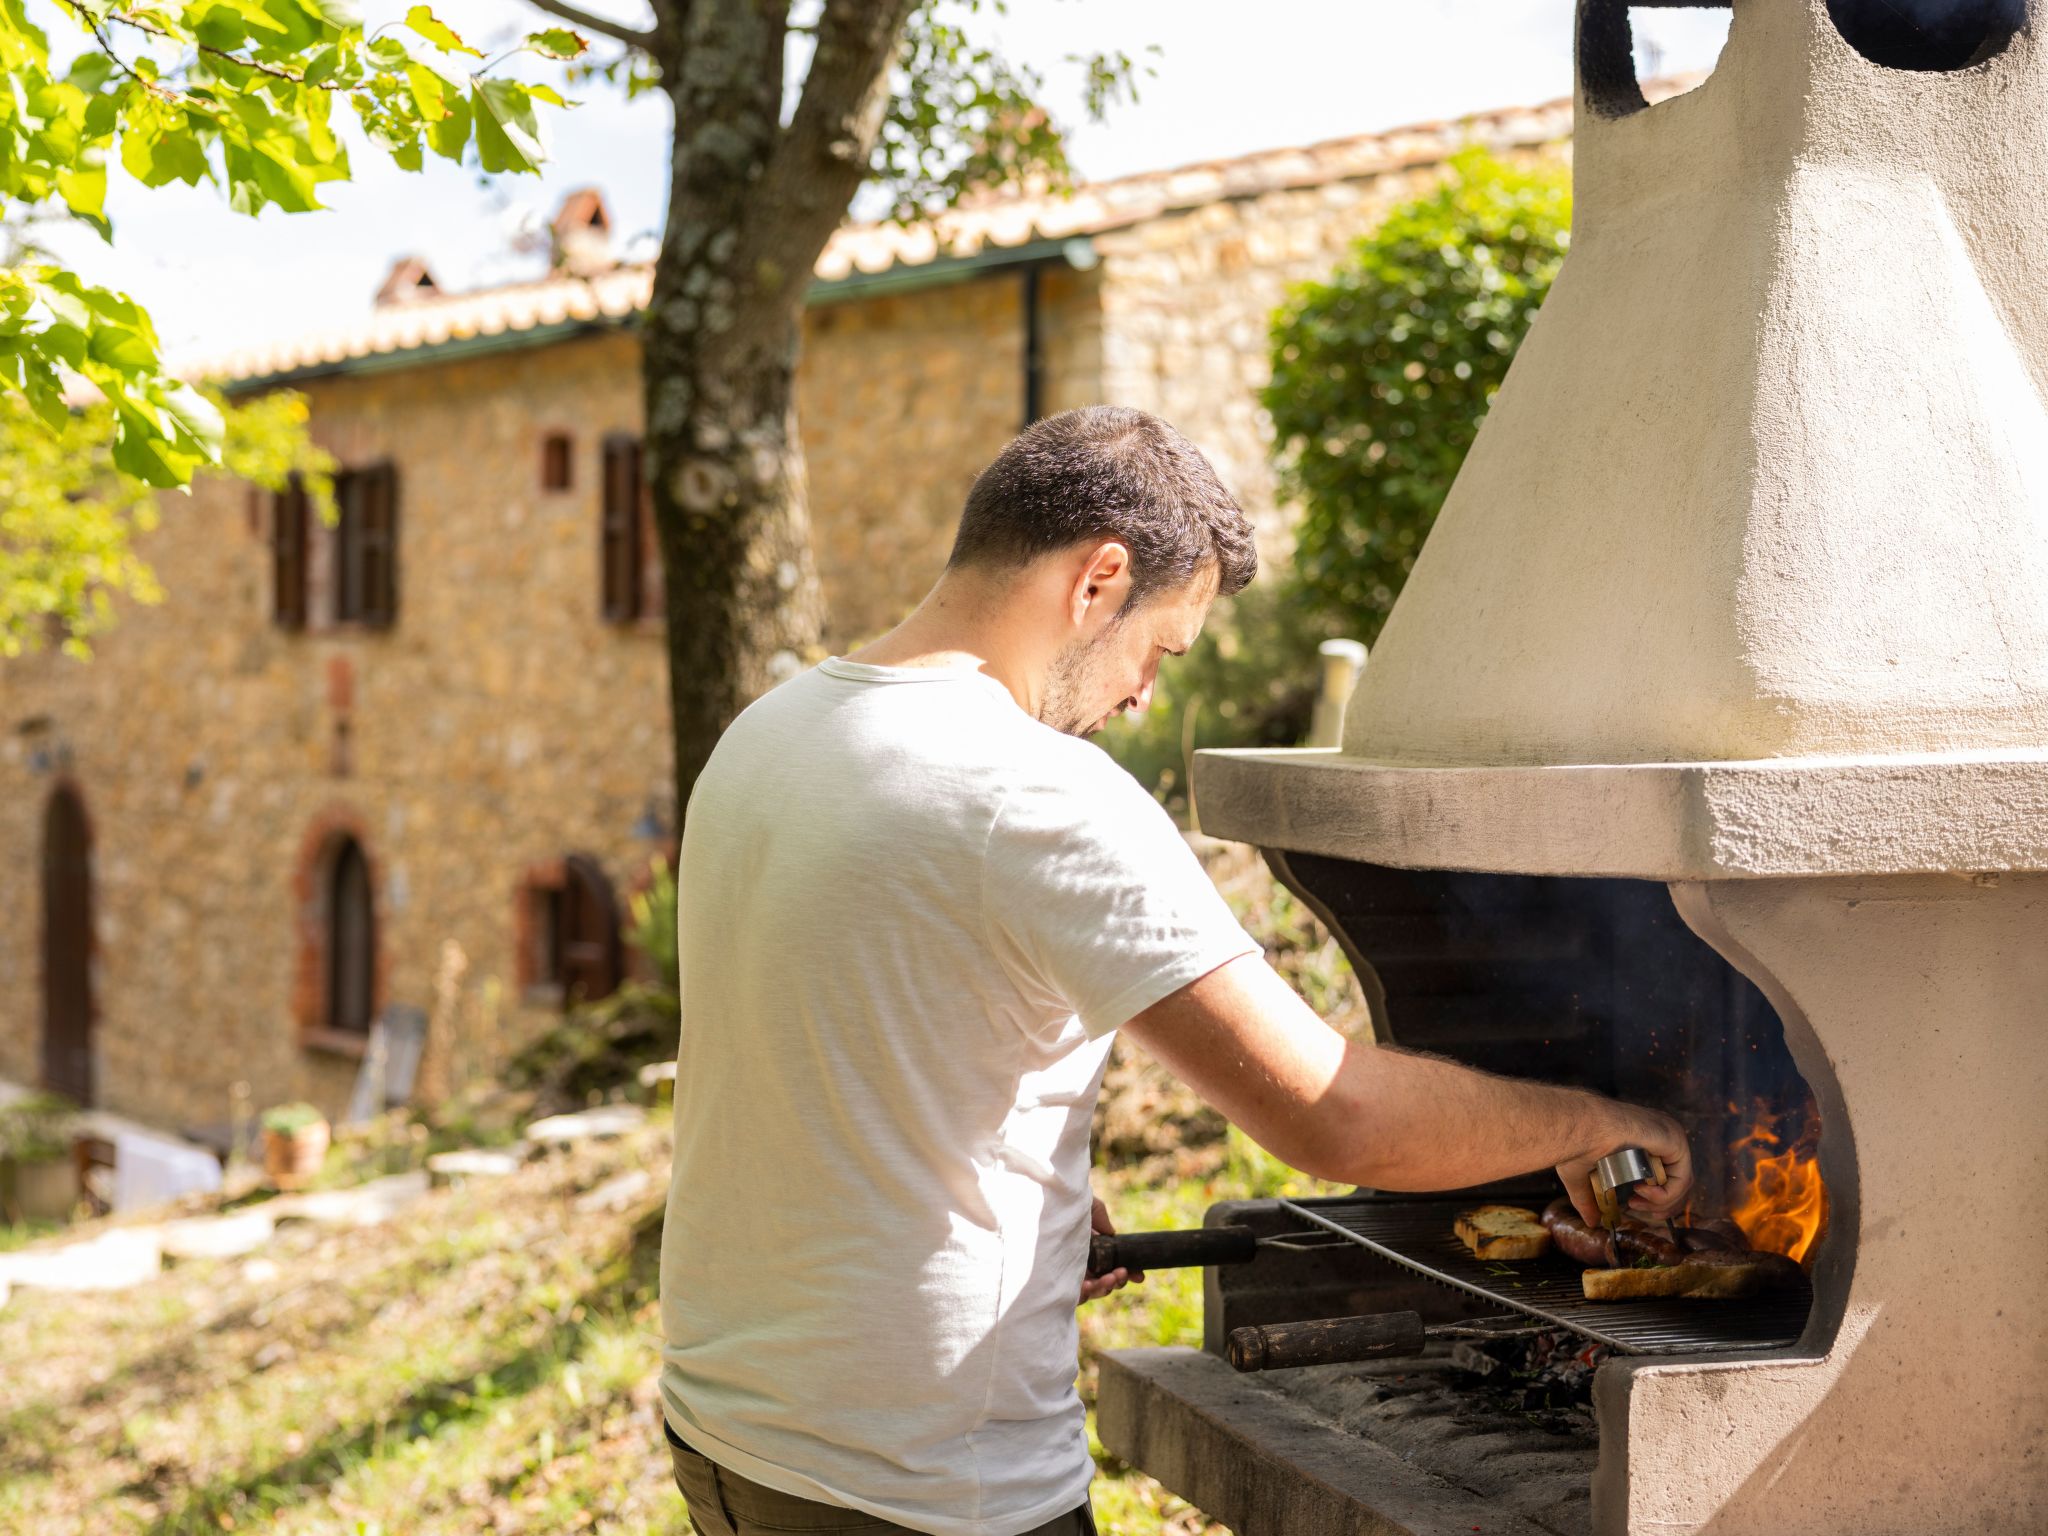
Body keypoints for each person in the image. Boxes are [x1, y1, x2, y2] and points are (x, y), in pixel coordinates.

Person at [657, 405, 1693, 1536]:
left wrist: (1022, 1191)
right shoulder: (1035, 791)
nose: (1144, 694)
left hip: (732, 1438)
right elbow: (1335, 1115)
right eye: (1160, 649)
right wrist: (1593, 1122)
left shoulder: (770, 733)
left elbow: (827, 1046)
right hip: (922, 1484)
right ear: (1099, 578)